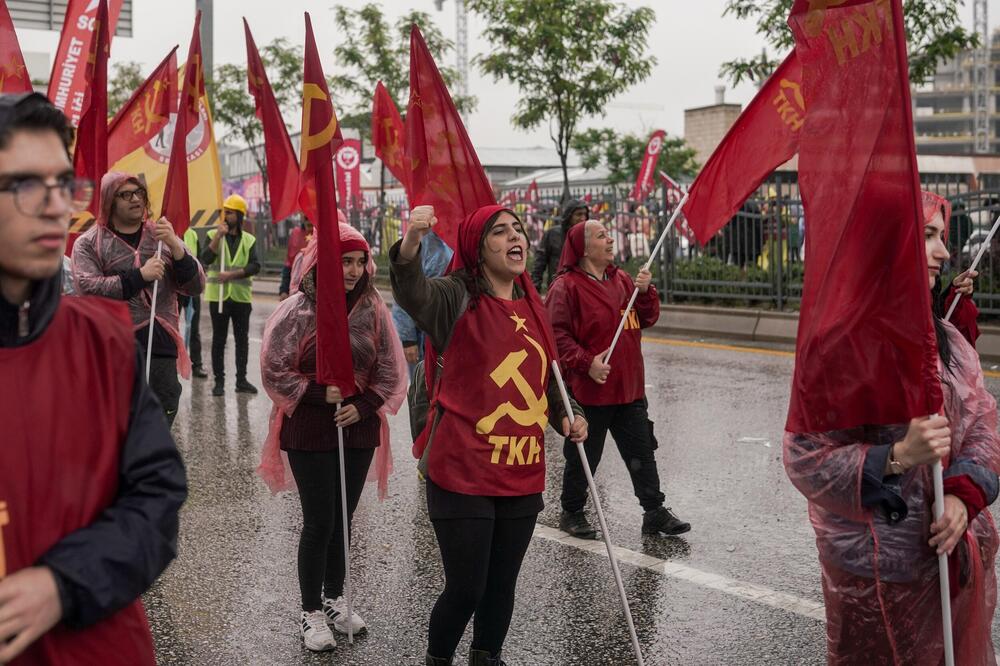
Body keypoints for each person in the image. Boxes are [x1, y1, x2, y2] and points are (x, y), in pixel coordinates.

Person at [0, 91, 186, 665]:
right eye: (28, 185)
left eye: (64, 185)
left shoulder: (102, 342)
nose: (56, 206)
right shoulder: (92, 251)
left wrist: (63, 584)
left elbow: (157, 496)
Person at [783, 190, 1000, 664]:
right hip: (875, 584)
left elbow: (983, 422)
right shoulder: (839, 343)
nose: (944, 252)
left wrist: (964, 495)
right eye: (928, 236)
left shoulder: (946, 341)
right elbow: (804, 455)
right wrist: (897, 456)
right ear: (886, 241)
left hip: (949, 565)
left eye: (942, 237)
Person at [391, 204, 588, 666]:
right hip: (462, 470)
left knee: (502, 586)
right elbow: (411, 291)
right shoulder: (454, 297)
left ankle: (487, 657)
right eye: (499, 232)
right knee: (466, 588)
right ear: (478, 250)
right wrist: (412, 242)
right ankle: (438, 659)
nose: (514, 237)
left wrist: (570, 415)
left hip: (521, 470)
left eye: (517, 229)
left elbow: (551, 380)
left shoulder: (533, 304)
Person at [258, 224, 407, 652]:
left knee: (344, 519)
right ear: (324, 263)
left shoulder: (373, 308)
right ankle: (309, 612)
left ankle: (334, 597)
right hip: (309, 426)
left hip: (356, 425)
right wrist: (319, 394)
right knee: (319, 521)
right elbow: (274, 368)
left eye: (360, 262)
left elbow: (389, 369)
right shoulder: (295, 310)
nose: (354, 270)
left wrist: (363, 404)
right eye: (345, 261)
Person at [546, 220, 690, 539]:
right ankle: (571, 511)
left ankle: (654, 511)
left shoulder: (622, 279)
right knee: (584, 458)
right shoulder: (565, 287)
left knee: (641, 452)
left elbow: (647, 317)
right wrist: (586, 363)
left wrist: (646, 292)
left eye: (609, 234)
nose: (610, 239)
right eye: (601, 236)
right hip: (590, 393)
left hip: (629, 390)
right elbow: (555, 335)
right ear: (583, 249)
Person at [73, 171, 206, 427]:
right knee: (115, 430)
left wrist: (177, 250)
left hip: (160, 350)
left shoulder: (162, 236)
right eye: (126, 194)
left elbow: (196, 285)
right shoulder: (89, 244)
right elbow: (87, 287)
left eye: (139, 193)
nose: (135, 199)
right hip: (113, 349)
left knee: (158, 428)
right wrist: (139, 276)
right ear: (110, 201)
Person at [201, 193, 260, 396]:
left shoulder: (249, 240)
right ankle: (219, 382)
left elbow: (255, 265)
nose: (226, 215)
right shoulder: (212, 235)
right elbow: (205, 259)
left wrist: (233, 274)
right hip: (218, 298)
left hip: (241, 299)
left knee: (241, 340)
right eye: (225, 211)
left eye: (231, 212)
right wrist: (217, 236)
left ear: (240, 216)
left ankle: (241, 380)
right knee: (219, 340)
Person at [391, 230, 453, 379]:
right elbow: (404, 290)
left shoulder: (459, 239)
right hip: (423, 336)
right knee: (424, 389)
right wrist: (408, 340)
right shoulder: (419, 242)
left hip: (452, 333)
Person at [530, 199, 588, 292]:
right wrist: (535, 290)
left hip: (583, 290)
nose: (583, 218)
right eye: (579, 214)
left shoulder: (588, 236)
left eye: (585, 214)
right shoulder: (552, 234)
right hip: (558, 290)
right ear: (569, 216)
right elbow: (539, 264)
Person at [178, 226, 207, 378]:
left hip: (191, 289)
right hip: (173, 290)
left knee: (194, 328)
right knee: (170, 328)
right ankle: (172, 362)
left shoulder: (192, 234)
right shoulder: (164, 231)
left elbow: (200, 259)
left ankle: (197, 364)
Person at [279, 219, 310, 300]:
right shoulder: (295, 234)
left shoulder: (322, 234)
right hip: (296, 293)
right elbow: (289, 263)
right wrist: (284, 290)